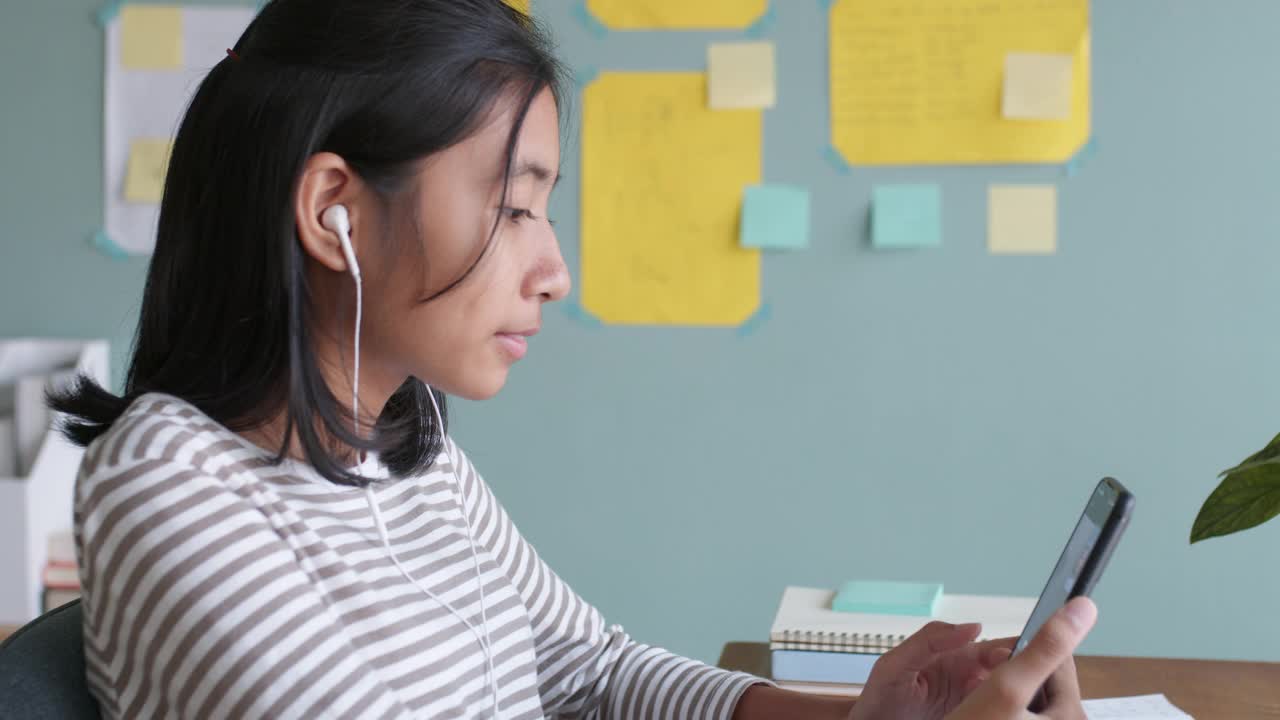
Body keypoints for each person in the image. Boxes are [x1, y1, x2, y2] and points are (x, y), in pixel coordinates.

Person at [52, 1, 1097, 717]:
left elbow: (587, 672)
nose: (553, 268)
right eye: (511, 207)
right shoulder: (170, 484)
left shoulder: (403, 448)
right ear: (335, 211)